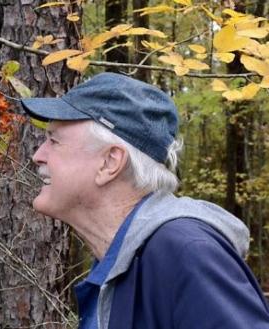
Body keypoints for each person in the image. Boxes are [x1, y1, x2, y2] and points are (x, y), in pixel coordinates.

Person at [20, 72, 269, 329]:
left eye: (53, 141)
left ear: (109, 162)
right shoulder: (122, 262)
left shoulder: (185, 252)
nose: (38, 155)